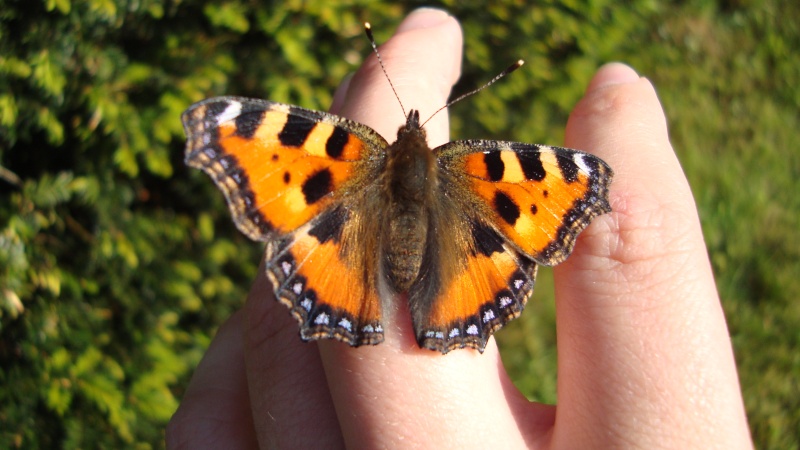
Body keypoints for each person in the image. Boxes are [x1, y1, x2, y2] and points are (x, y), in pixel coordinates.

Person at [167, 8, 753, 449]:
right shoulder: (483, 169)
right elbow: (557, 183)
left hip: (343, 243)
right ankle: (427, 312)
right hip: (458, 250)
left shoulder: (341, 151)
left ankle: (371, 309)